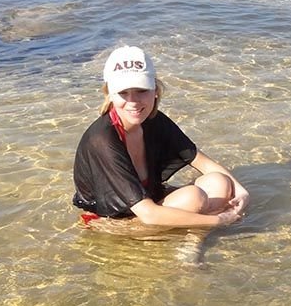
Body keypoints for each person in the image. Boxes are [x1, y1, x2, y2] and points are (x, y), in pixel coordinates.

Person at [73, 46, 249, 233]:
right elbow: (148, 215)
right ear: (109, 94)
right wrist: (220, 220)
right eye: (123, 93)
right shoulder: (102, 139)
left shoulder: (153, 120)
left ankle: (192, 238)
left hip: (149, 203)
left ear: (155, 90)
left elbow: (204, 163)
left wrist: (242, 192)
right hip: (113, 222)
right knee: (194, 197)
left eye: (141, 90)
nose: (133, 102)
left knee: (219, 182)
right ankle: (194, 239)